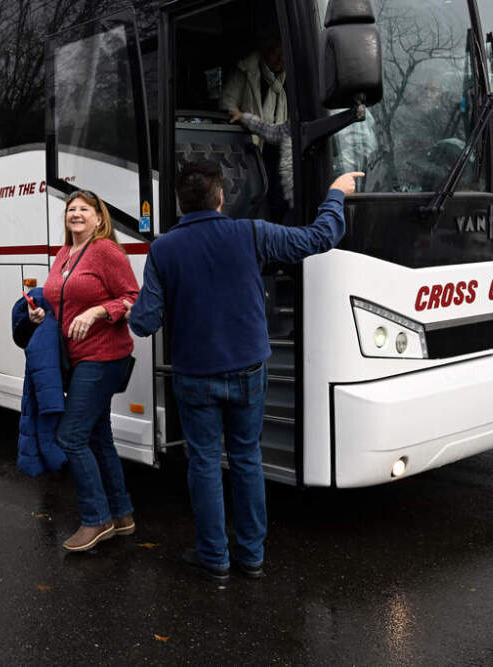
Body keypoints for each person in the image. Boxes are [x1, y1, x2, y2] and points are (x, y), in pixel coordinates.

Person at [125, 161, 363, 582]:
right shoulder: (252, 233)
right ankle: (251, 557)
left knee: (203, 463)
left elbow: (144, 322)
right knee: (246, 459)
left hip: (195, 375)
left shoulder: (163, 249)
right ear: (220, 198)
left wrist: (133, 308)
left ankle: (214, 557)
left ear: (180, 203)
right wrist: (336, 193)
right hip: (248, 368)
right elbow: (321, 237)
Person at [26, 190, 140, 551]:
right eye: (71, 209)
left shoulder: (105, 250)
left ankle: (97, 519)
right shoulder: (63, 253)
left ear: (98, 218)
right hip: (76, 358)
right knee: (97, 436)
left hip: (104, 357)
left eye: (84, 209)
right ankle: (122, 515)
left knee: (70, 436)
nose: (76, 214)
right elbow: (62, 300)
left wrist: (98, 312)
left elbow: (132, 297)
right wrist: (43, 316)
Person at [221, 35, 293, 216]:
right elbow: (227, 104)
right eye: (275, 53)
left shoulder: (285, 80)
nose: (280, 59)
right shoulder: (245, 72)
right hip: (249, 148)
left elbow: (277, 132)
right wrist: (241, 118)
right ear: (265, 51)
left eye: (284, 55)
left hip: (277, 150)